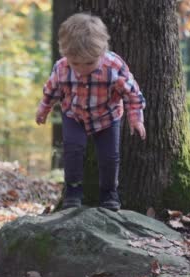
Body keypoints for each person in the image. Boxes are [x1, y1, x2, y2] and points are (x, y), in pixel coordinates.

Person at [35, 13, 146, 211]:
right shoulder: (62, 68)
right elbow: (51, 90)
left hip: (107, 117)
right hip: (74, 115)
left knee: (109, 157)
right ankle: (73, 191)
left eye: (88, 63)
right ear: (66, 55)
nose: (81, 69)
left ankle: (109, 194)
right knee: (73, 149)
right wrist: (43, 109)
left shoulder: (113, 67)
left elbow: (132, 94)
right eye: (75, 63)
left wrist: (136, 120)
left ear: (102, 52)